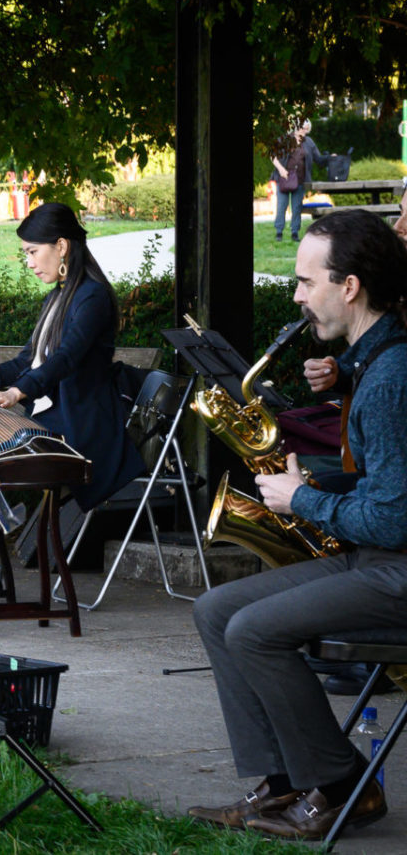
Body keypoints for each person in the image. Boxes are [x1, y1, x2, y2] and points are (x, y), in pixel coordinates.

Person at [186, 210, 407, 840]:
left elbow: (394, 518)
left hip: (395, 566)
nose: (297, 295)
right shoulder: (370, 362)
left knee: (254, 630)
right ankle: (281, 783)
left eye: (307, 282)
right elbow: (386, 485)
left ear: (350, 286)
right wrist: (318, 483)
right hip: (377, 559)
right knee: (215, 610)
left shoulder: (391, 376)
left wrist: (301, 501)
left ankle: (343, 788)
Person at [0, 202, 141, 512]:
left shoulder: (93, 297)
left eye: (32, 251)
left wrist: (18, 391)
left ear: (62, 246)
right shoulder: (57, 297)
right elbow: (27, 362)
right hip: (49, 416)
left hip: (79, 423)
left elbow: (65, 359)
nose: (28, 262)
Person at [269, 120, 330, 244]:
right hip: (284, 177)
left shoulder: (309, 142)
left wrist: (330, 158)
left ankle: (295, 232)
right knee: (282, 205)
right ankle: (279, 232)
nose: (304, 131)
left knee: (297, 207)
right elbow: (272, 155)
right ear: (296, 127)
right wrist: (281, 170)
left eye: (307, 129)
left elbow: (318, 159)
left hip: (300, 179)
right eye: (302, 128)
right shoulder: (285, 139)